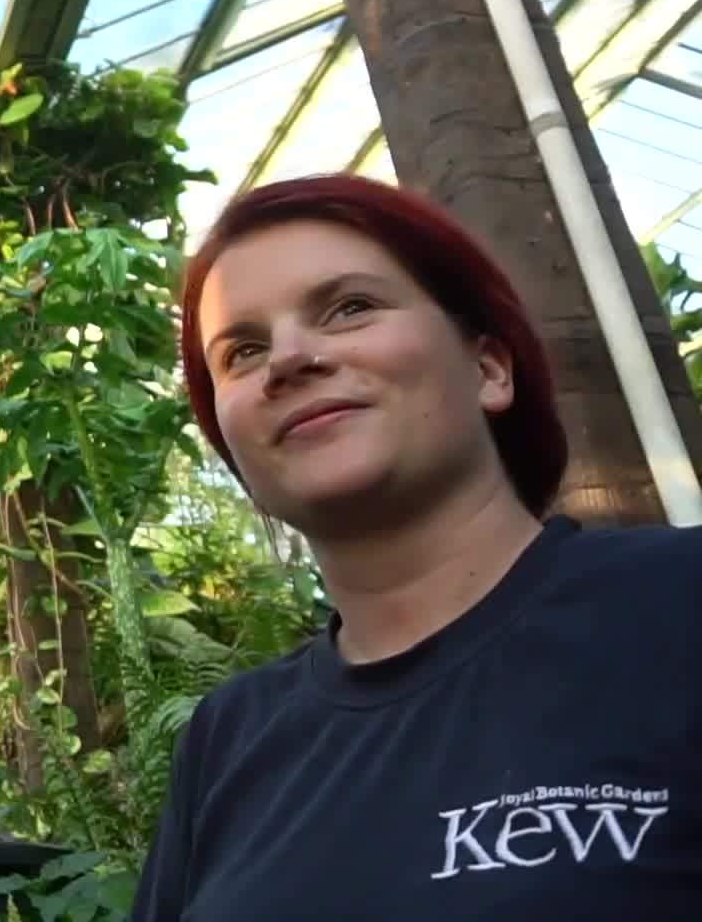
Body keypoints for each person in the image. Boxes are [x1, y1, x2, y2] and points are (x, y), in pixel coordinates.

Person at [131, 173, 702, 919]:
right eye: (241, 351)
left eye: (350, 307)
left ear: (489, 368)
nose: (289, 360)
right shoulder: (230, 736)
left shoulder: (677, 606)